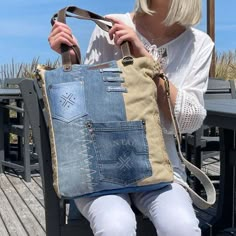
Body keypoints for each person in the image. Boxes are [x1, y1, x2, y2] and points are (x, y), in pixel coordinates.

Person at [48, 0, 214, 235]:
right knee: (115, 224)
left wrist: (144, 60)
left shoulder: (198, 44)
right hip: (100, 168)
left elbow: (189, 122)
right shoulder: (109, 27)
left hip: (161, 169)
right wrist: (74, 62)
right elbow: (88, 112)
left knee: (182, 227)